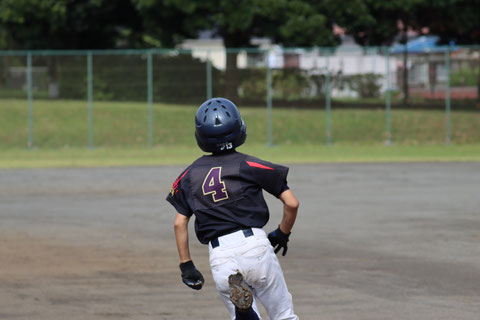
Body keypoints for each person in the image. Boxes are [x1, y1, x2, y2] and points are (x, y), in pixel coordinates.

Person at [166, 97, 299, 320]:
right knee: (284, 315)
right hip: (254, 246)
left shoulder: (188, 176)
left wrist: (186, 265)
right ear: (239, 128)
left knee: (241, 316)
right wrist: (282, 233)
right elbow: (292, 203)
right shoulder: (248, 165)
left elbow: (180, 222)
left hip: (220, 256)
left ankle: (245, 314)